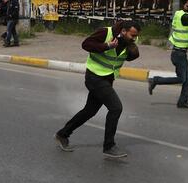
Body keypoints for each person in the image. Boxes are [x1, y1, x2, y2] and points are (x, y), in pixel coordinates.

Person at [55, 20, 141, 158]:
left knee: (89, 111)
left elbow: (126, 56)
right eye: (132, 35)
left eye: (136, 36)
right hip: (94, 77)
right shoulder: (105, 32)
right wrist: (107, 45)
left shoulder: (127, 42)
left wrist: (134, 52)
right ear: (124, 31)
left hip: (107, 79)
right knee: (116, 108)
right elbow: (86, 44)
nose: (134, 38)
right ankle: (109, 146)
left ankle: (62, 134)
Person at [147, 0, 188, 109]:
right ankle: (155, 80)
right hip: (179, 54)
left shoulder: (178, 14)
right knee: (182, 79)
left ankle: (182, 102)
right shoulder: (184, 18)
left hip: (179, 53)